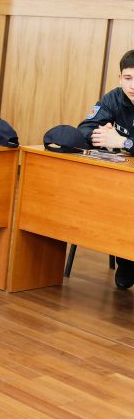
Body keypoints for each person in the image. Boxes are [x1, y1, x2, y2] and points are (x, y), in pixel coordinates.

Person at [77, 49, 134, 288]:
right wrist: (102, 136)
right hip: (124, 178)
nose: (133, 85)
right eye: (128, 78)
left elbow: (123, 143)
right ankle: (127, 260)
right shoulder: (113, 99)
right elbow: (84, 129)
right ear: (120, 78)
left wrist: (123, 142)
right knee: (115, 199)